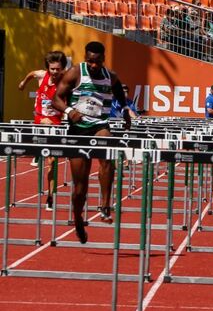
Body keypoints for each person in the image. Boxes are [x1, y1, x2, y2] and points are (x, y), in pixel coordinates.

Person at [50, 42, 131, 243]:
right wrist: (69, 111)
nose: (93, 65)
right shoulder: (75, 73)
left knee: (107, 154)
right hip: (78, 129)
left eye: (97, 61)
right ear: (86, 59)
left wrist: (124, 110)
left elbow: (119, 91)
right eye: (90, 61)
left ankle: (105, 205)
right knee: (80, 187)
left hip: (100, 125)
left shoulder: (110, 76)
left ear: (103, 59)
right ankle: (78, 220)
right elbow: (56, 99)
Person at [18, 51, 69, 210]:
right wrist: (23, 83)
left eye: (58, 69)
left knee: (52, 162)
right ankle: (37, 153)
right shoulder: (42, 75)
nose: (55, 72)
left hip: (56, 121)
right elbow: (31, 74)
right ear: (48, 68)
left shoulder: (66, 80)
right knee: (44, 124)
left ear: (62, 69)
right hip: (40, 118)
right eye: (52, 69)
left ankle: (50, 197)